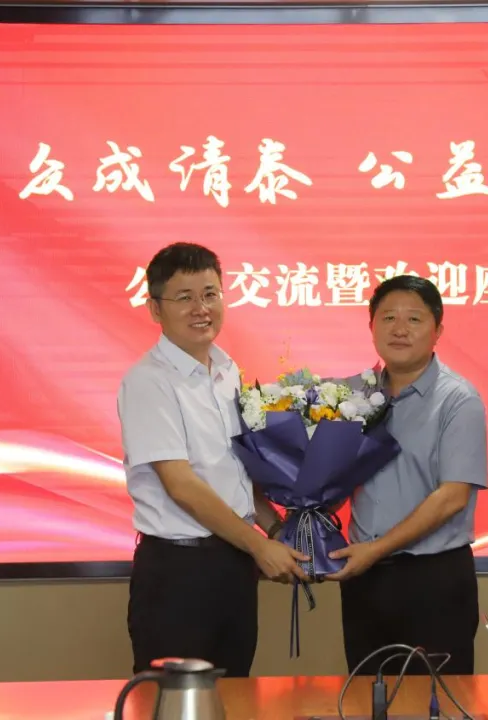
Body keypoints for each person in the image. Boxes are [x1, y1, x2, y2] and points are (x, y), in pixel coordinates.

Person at [117, 242, 309, 678]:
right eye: (184, 297)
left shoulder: (226, 371)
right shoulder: (149, 381)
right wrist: (259, 545)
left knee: (233, 694)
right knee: (174, 701)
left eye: (210, 294)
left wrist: (277, 529)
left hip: (234, 566)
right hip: (179, 571)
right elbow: (181, 485)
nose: (201, 308)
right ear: (155, 308)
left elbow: (236, 472)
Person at [328, 275, 488, 676]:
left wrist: (376, 549)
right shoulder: (351, 396)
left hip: (433, 580)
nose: (399, 329)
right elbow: (330, 479)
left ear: (437, 331)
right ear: (371, 326)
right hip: (364, 578)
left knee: (436, 699)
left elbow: (452, 497)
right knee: (367, 696)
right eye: (388, 318)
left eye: (414, 319)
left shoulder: (458, 399)